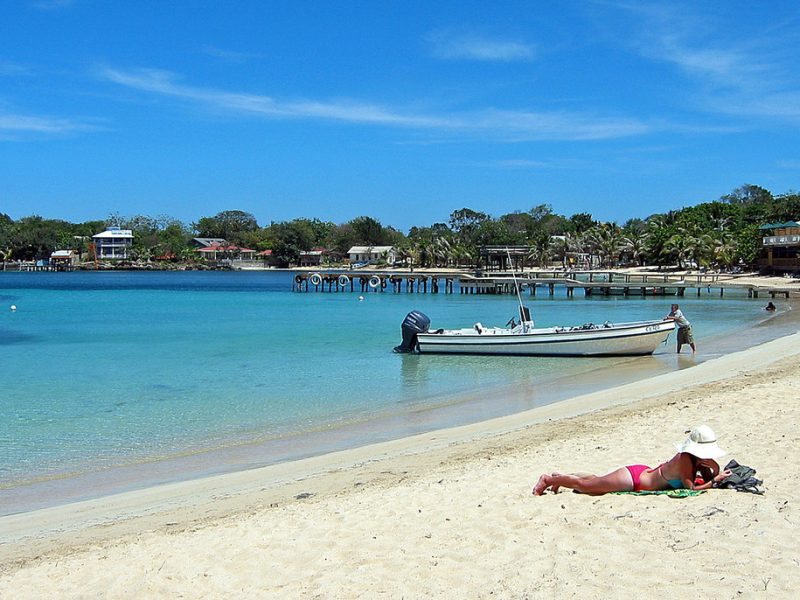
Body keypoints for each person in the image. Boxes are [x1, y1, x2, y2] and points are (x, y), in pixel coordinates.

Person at [533, 425, 731, 496]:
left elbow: (710, 474)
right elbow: (690, 489)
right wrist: (714, 481)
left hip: (643, 475)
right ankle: (548, 480)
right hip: (634, 480)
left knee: (595, 480)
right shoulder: (686, 459)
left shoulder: (697, 459)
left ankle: (560, 478)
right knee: (586, 486)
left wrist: (713, 466)